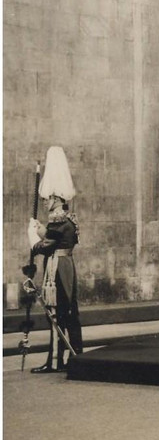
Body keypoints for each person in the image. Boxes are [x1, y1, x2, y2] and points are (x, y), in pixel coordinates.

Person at [27, 146, 82, 372]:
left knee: (57, 314)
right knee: (67, 313)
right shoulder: (66, 220)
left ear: (57, 199)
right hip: (65, 266)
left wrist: (32, 238)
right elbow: (55, 239)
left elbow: (47, 246)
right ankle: (73, 355)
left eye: (49, 198)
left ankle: (56, 361)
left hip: (58, 268)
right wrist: (41, 230)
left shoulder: (59, 221)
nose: (46, 201)